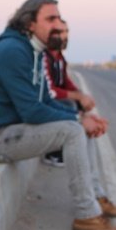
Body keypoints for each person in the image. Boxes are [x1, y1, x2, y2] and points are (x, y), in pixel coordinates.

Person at [0, 0, 116, 230]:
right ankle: (87, 216)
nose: (58, 24)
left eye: (59, 18)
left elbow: (46, 101)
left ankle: (96, 198)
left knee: (79, 125)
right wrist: (78, 121)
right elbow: (32, 111)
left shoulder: (34, 51)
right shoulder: (12, 51)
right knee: (73, 131)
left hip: (8, 130)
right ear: (30, 23)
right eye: (50, 19)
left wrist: (81, 117)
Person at [41, 20, 99, 167]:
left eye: (66, 32)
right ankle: (54, 153)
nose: (65, 36)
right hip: (47, 100)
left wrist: (82, 96)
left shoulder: (59, 56)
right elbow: (49, 90)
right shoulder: (44, 57)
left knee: (80, 104)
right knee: (69, 104)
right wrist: (78, 97)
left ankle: (80, 148)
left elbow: (65, 80)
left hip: (56, 97)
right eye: (60, 32)